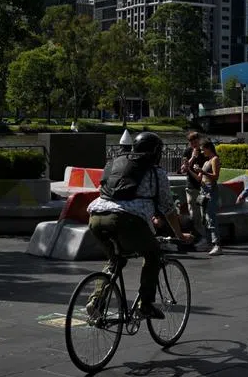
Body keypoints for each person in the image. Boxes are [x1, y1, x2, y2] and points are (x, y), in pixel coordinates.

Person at [87, 132, 193, 319]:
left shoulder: (114, 163)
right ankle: (145, 305)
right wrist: (180, 235)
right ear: (155, 153)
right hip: (126, 220)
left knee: (115, 260)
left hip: (96, 216)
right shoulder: (156, 172)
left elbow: (104, 189)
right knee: (153, 254)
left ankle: (96, 301)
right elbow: (168, 208)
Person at [185, 140, 223, 255]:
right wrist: (190, 170)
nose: (201, 151)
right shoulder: (206, 162)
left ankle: (217, 244)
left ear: (208, 148)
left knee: (211, 218)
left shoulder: (214, 159)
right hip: (203, 191)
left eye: (203, 149)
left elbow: (215, 177)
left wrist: (202, 171)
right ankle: (208, 242)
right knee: (205, 219)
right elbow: (198, 178)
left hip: (211, 191)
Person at [179, 131, 206, 238]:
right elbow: (183, 170)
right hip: (191, 186)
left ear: (199, 140)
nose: (194, 144)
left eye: (196, 141)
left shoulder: (205, 150)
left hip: (204, 185)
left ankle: (204, 234)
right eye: (192, 142)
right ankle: (197, 234)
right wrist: (193, 157)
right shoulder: (187, 151)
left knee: (204, 212)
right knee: (194, 212)